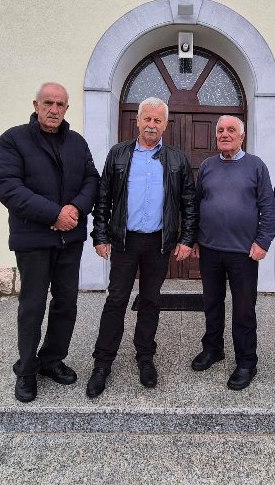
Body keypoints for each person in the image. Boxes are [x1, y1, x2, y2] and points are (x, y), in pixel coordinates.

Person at [0, 82, 99, 403]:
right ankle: (26, 370)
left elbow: (92, 180)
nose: (54, 109)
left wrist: (75, 209)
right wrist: (54, 214)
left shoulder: (77, 143)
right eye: (48, 103)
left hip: (70, 239)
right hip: (33, 238)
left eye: (60, 104)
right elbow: (8, 186)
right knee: (33, 305)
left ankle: (52, 359)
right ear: (36, 105)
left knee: (66, 303)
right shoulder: (13, 140)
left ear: (67, 108)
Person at [87, 97, 197, 398]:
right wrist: (100, 235)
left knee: (150, 300)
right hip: (125, 240)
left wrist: (187, 239)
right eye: (147, 119)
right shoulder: (119, 154)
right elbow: (103, 197)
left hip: (158, 242)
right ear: (137, 121)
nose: (151, 125)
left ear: (165, 125)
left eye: (157, 120)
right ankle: (102, 363)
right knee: (116, 300)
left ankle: (145, 357)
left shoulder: (177, 159)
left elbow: (189, 203)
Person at [191, 116, 275, 390]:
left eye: (231, 130)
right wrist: (194, 238)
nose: (225, 134)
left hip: (244, 252)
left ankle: (247, 361)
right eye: (220, 131)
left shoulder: (256, 166)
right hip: (210, 249)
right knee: (212, 304)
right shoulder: (207, 166)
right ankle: (213, 349)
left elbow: (269, 206)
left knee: (243, 309)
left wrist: (263, 242)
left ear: (242, 136)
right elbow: (196, 203)